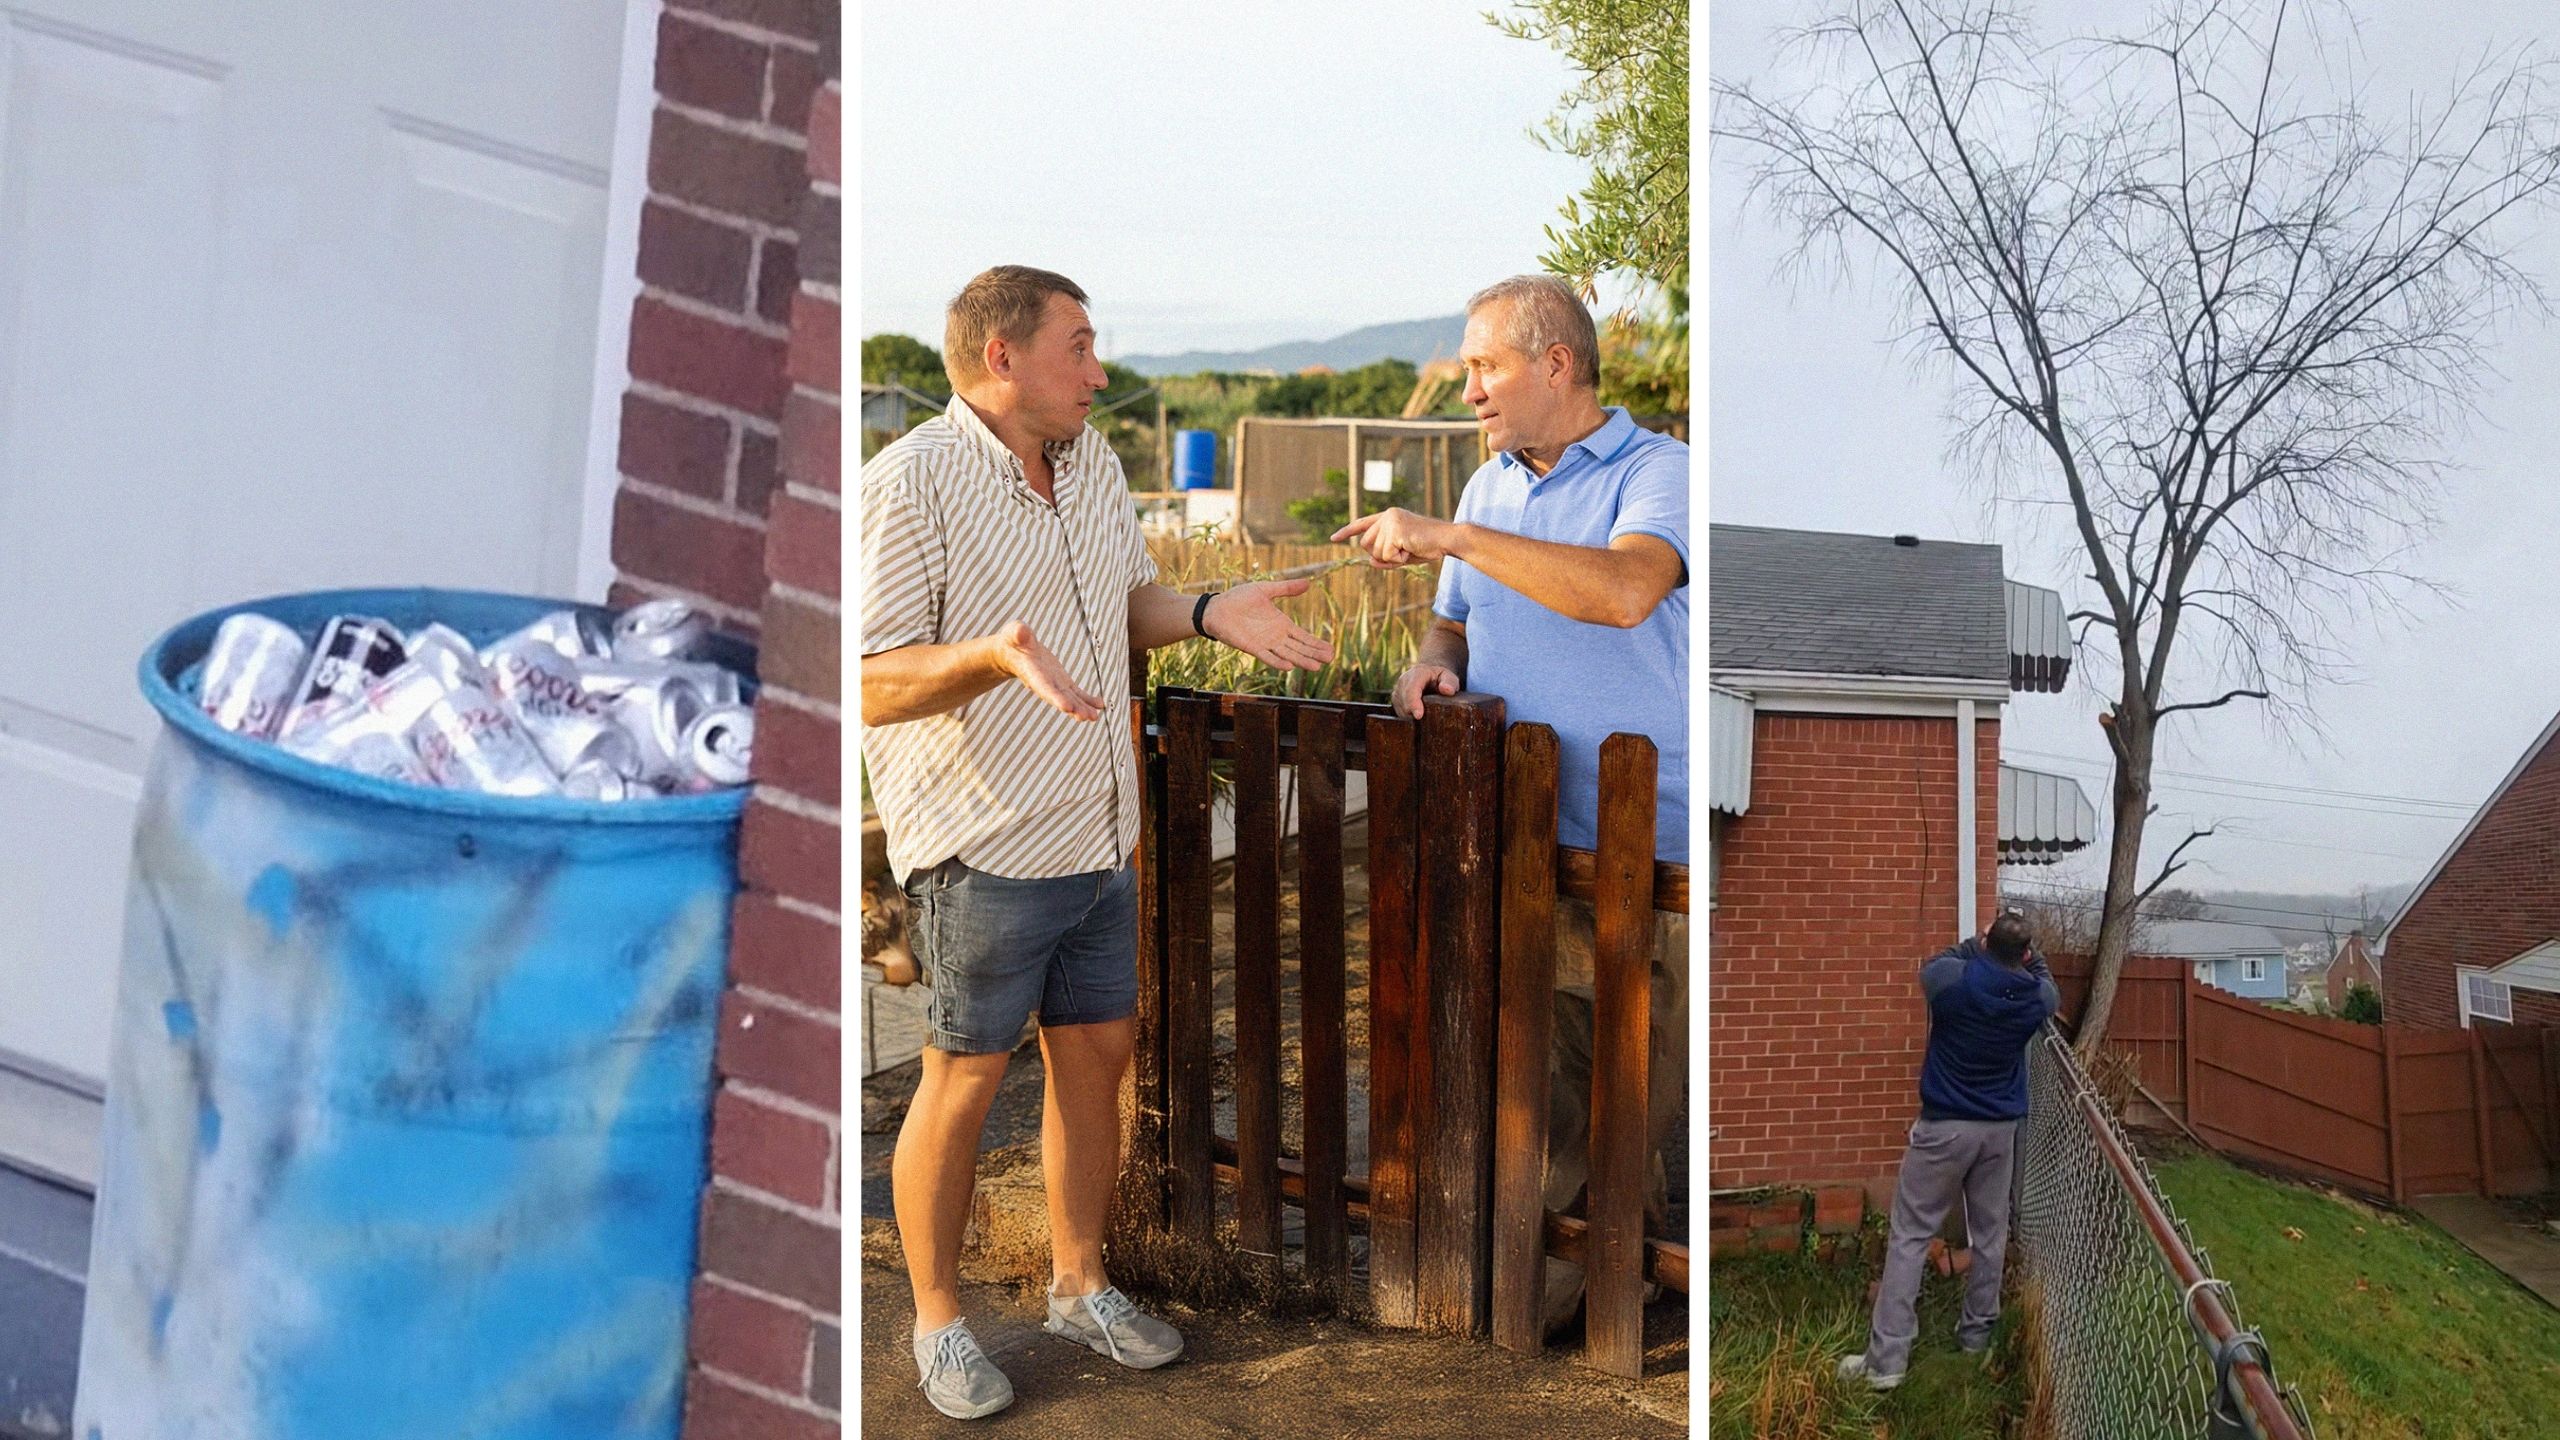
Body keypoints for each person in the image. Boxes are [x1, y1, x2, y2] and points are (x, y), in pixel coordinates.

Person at [861, 265, 1336, 1420]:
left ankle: (1079, 1286)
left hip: (1097, 835)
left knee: (1095, 1065)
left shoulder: (1095, 467)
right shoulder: (908, 483)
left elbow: (1129, 605)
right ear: (1001, 356)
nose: (1099, 370)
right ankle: (938, 1321)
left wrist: (1212, 611)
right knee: (964, 1081)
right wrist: (988, 655)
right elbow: (867, 680)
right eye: (1078, 346)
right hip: (983, 843)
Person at [1337, 273, 1689, 1330]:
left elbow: (1625, 593)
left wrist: (1450, 537)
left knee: (1607, 1095)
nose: (1471, 391)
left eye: (1484, 367)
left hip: (1638, 845)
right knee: (1556, 1084)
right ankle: (1617, 1290)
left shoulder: (1656, 470)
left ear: (1557, 364)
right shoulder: (1490, 485)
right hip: (1518, 838)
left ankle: (1527, 1318)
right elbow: (1455, 624)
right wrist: (1428, 666)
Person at [1838, 910, 2059, 1390]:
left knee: (1911, 1236)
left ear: (1985, 944)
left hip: (1944, 1128)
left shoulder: (1951, 983)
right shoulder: (2036, 998)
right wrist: (2024, 953)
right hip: (1999, 1131)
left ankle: (1887, 1362)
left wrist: (1978, 943)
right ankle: (1976, 1337)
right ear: (2023, 954)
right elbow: (2044, 978)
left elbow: (1939, 960)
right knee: (1990, 1234)